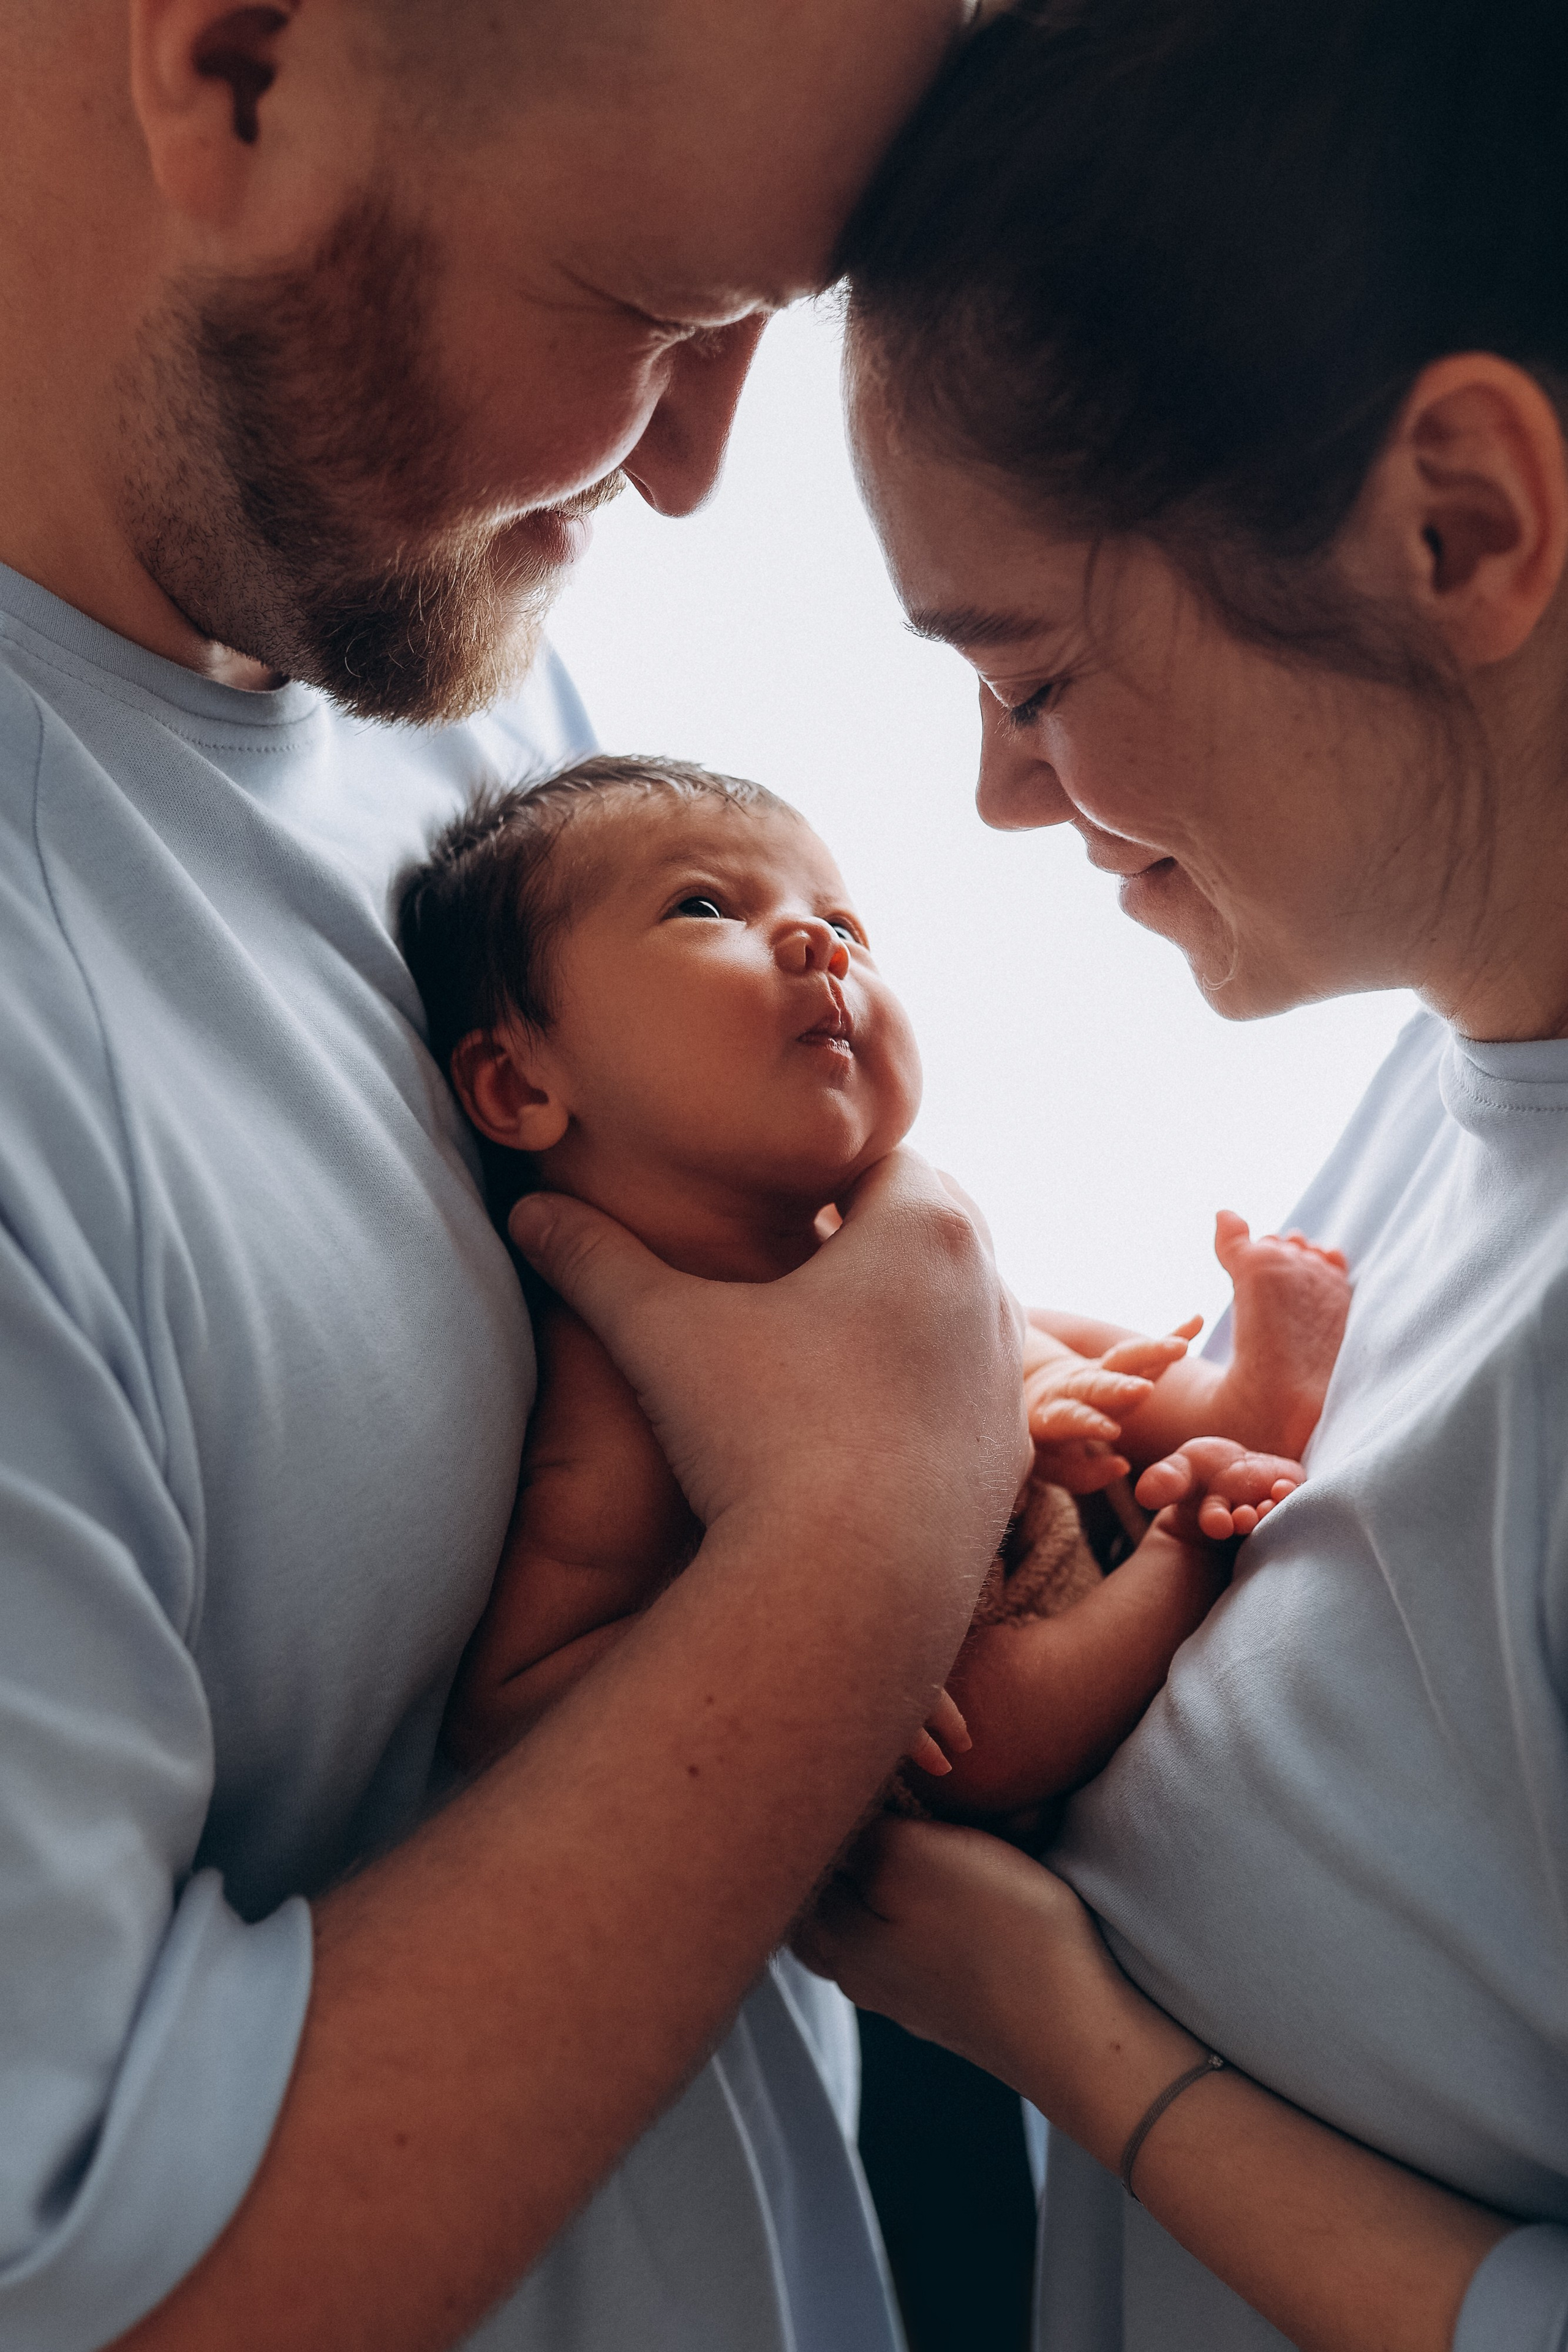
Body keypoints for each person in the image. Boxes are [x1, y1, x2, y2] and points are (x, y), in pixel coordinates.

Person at [0, 7, 1031, 2351]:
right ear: (241, 64)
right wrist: (872, 1528)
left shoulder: (413, 623)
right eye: (658, 321)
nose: (686, 478)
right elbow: (92, 2283)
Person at [801, 1, 1568, 2347]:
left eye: (1029, 677)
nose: (1005, 801)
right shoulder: (1444, 1115)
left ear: (1464, 523)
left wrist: (1067, 2035)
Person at [395, 752, 1337, 1807]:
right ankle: (1189, 1554)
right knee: (978, 1729)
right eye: (704, 907)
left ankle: (1225, 1406)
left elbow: (994, 1345)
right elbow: (505, 1705)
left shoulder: (866, 1233)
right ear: (520, 1081)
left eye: (847, 927)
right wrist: (795, 1655)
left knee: (1020, 1324)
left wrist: (1036, 1397)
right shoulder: (614, 1379)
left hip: (1062, 1526)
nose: (818, 943)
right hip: (979, 1725)